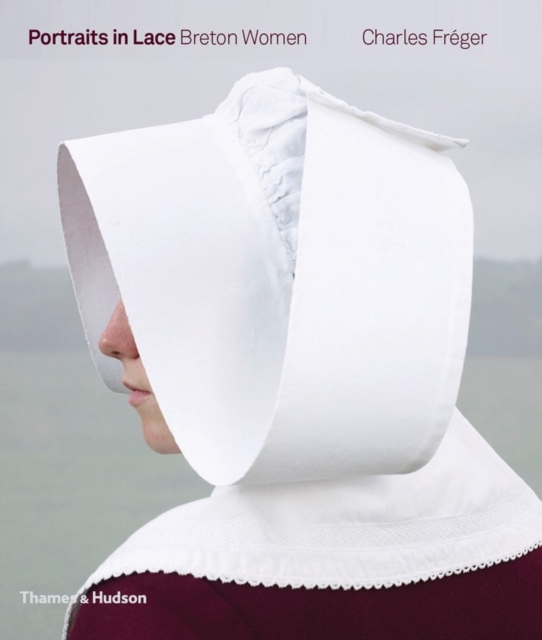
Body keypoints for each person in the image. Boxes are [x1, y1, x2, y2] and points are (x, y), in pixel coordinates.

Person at [57, 68, 542, 639]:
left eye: (163, 293)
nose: (111, 339)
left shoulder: (158, 603)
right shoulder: (517, 540)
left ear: (302, 312)